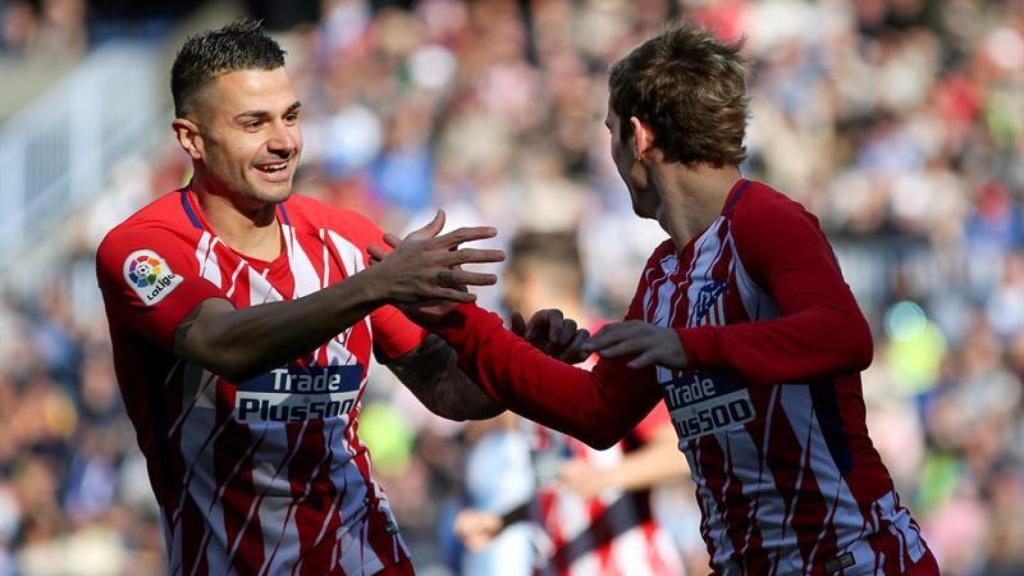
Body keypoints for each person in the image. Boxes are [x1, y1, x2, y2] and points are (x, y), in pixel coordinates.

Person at [396, 24, 941, 575]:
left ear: (639, 138)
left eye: (610, 133)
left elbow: (843, 336)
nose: (610, 154)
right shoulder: (663, 274)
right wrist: (460, 322)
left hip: (855, 560)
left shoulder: (766, 221)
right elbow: (597, 411)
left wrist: (688, 346)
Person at [95, 20, 508, 576]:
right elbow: (224, 343)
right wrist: (372, 287)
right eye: (254, 123)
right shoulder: (141, 250)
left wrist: (512, 363)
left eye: (290, 117)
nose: (284, 141)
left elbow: (448, 391)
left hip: (366, 556)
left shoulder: (344, 237)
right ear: (190, 138)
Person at [453, 231, 687, 575]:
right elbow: (558, 479)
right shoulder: (532, 368)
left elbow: (678, 451)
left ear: (527, 283)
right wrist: (503, 520)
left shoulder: (613, 353)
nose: (505, 298)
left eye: (509, 286)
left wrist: (605, 477)